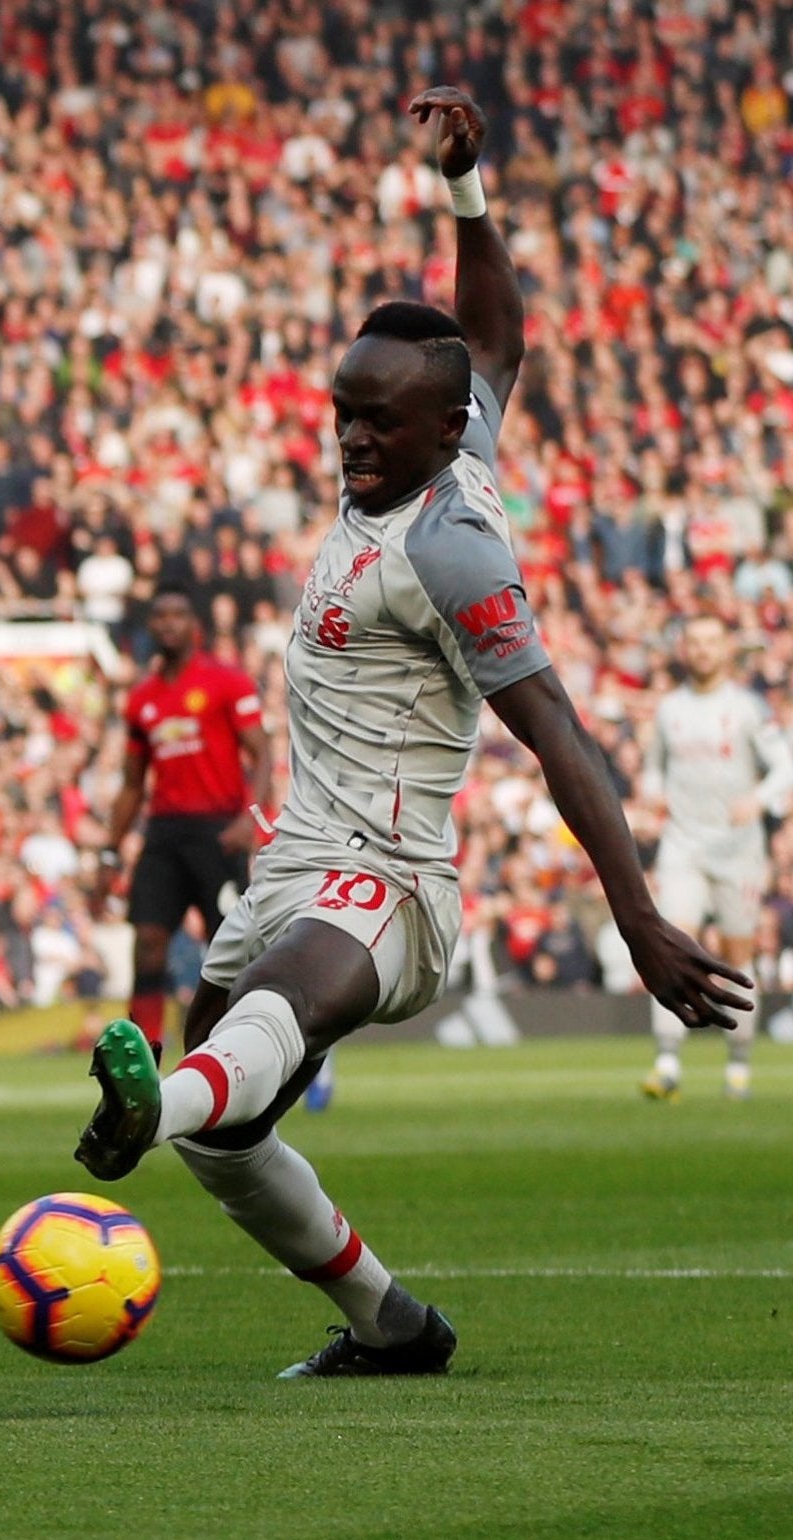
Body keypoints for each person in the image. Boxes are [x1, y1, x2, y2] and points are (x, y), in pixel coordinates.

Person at [73, 91, 749, 1379]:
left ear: (442, 433)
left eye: (379, 423)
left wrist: (639, 917)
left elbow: (556, 731)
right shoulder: (452, 430)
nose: (352, 441)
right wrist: (466, 190)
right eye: (343, 412)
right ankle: (393, 1326)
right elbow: (492, 333)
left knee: (247, 1034)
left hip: (386, 877)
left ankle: (150, 1105)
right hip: (294, 855)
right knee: (233, 1126)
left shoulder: (450, 544)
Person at [95, 583, 274, 1055]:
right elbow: (134, 785)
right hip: (164, 833)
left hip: (219, 832)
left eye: (178, 614)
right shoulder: (142, 700)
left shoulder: (227, 681)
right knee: (148, 941)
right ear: (150, 626)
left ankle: (248, 1051)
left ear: (194, 626)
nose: (168, 623)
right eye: (160, 615)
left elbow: (262, 751)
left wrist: (249, 819)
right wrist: (110, 850)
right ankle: (145, 1061)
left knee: (231, 951)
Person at [639, 613, 793, 1100]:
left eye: (712, 642)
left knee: (736, 955)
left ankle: (739, 1066)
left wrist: (761, 801)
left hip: (737, 852)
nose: (703, 650)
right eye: (695, 641)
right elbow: (653, 771)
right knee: (672, 943)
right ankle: (666, 1063)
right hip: (683, 845)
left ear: (727, 649)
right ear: (684, 649)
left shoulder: (747, 709)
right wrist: (651, 795)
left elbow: (784, 767)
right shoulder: (670, 710)